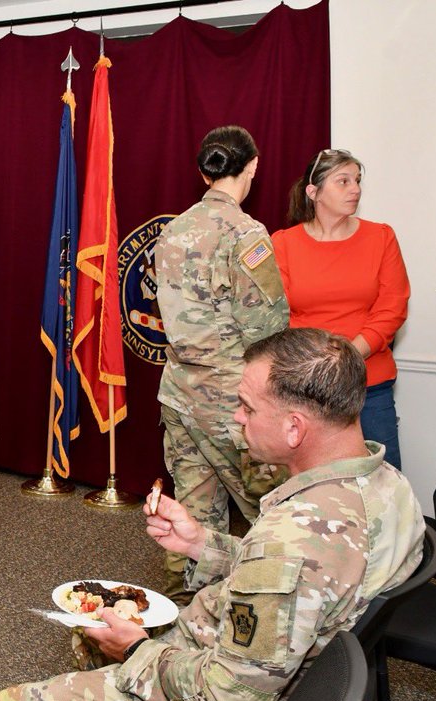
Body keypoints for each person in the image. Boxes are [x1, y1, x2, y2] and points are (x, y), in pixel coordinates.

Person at [0, 327, 424, 701]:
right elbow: (316, 583)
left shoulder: (292, 541)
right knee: (90, 636)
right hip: (293, 687)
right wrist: (202, 543)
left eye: (249, 409)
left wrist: (138, 649)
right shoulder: (387, 486)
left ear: (295, 428)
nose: (237, 418)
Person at [154, 125, 288, 606]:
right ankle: (264, 622)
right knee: (271, 515)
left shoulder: (172, 230)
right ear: (252, 166)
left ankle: (181, 623)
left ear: (203, 171)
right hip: (235, 403)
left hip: (178, 394)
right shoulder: (247, 234)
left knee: (190, 516)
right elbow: (268, 329)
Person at [272, 148, 410, 469]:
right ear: (313, 192)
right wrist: (320, 365)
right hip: (307, 388)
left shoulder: (381, 237)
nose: (356, 189)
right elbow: (277, 315)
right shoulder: (283, 243)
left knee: (382, 481)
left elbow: (392, 307)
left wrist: (348, 356)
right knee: (312, 483)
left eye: (358, 181)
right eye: (343, 181)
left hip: (368, 385)